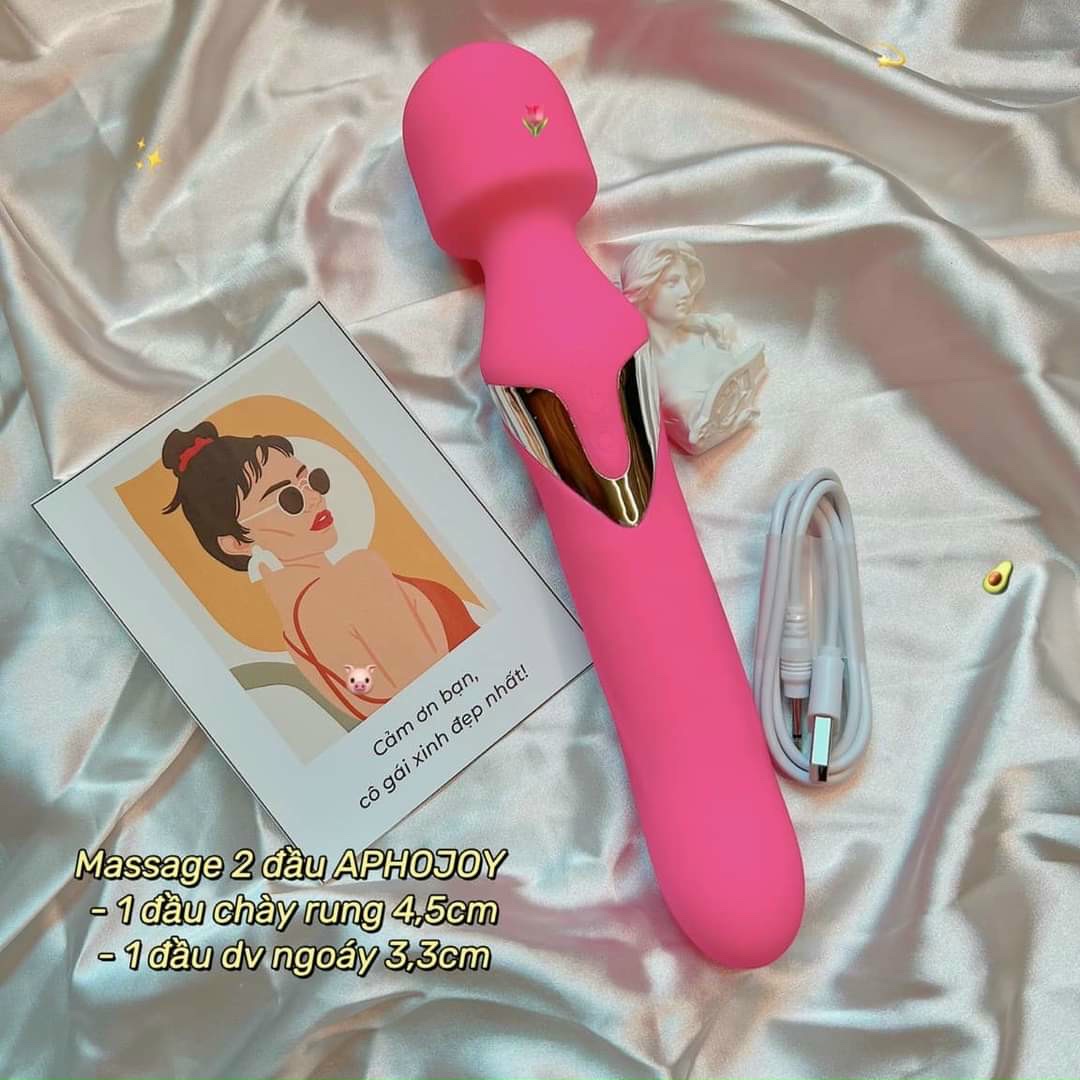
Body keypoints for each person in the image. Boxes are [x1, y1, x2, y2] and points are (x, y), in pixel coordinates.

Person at [161, 422, 477, 725]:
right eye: (288, 498)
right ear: (236, 543)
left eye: (312, 480)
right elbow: (442, 691)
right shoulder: (356, 575)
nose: (315, 498)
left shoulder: (295, 628)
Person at [620, 238, 766, 454]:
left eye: (687, 282)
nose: (687, 292)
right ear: (644, 289)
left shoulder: (709, 337)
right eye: (672, 283)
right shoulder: (639, 372)